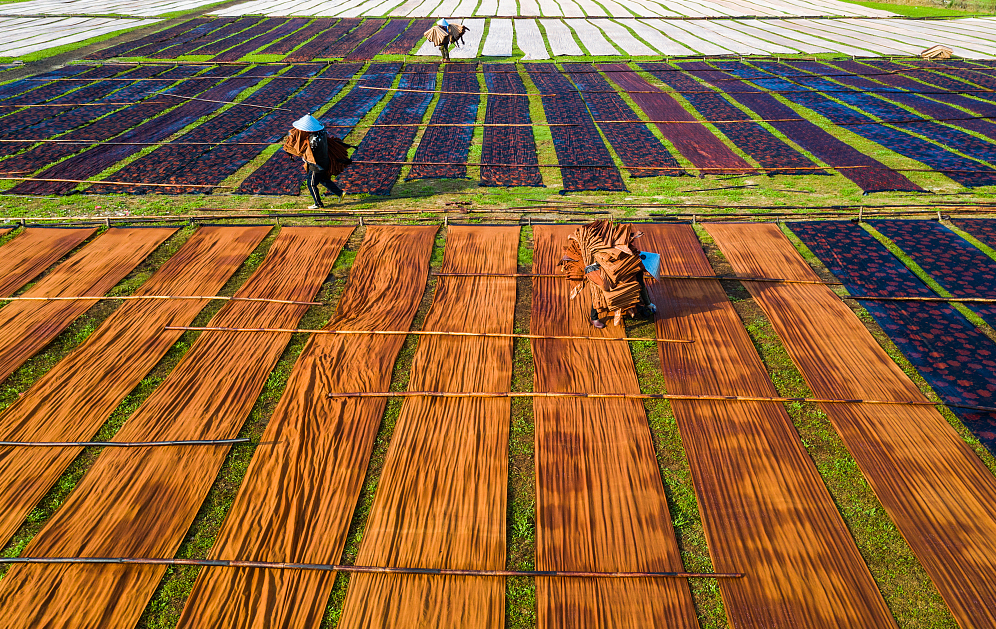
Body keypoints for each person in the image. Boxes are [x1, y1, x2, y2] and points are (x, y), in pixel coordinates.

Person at [283, 114, 353, 209]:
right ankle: (340, 193)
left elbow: (307, 152)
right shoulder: (322, 133)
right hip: (325, 160)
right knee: (323, 179)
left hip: (317, 165)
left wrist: (301, 153)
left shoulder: (313, 140)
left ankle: (318, 204)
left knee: (311, 184)